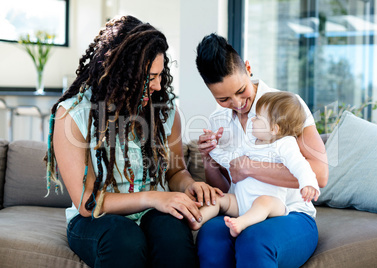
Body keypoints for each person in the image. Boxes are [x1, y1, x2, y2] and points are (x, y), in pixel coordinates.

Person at [45, 15, 222, 268]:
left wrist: (190, 185)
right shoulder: (73, 114)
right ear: (122, 72)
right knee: (125, 239)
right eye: (150, 77)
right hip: (96, 220)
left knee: (173, 235)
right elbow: (88, 203)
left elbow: (175, 171)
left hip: (153, 212)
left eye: (161, 75)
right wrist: (153, 198)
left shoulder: (164, 110)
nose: (159, 85)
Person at [195, 33, 329, 267]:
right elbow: (225, 189)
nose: (237, 104)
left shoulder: (285, 106)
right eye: (224, 98)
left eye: (241, 90)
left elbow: (320, 175)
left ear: (248, 69)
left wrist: (251, 168)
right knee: (210, 239)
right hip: (242, 208)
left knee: (255, 241)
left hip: (289, 212)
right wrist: (209, 159)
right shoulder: (218, 120)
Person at [190, 91, 320, 238]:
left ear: (273, 129)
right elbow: (231, 160)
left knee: (264, 202)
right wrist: (213, 148)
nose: (252, 120)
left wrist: (307, 183)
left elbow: (300, 165)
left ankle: (241, 223)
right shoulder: (250, 142)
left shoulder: (284, 144)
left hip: (271, 205)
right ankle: (196, 220)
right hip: (241, 202)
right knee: (220, 200)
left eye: (258, 118)